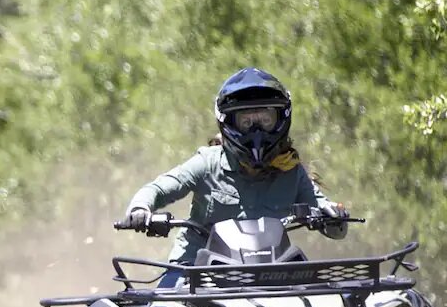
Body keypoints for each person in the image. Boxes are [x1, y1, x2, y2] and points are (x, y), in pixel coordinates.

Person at [123, 68, 349, 271]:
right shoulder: (208, 162)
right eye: (247, 121)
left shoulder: (291, 170)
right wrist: (141, 209)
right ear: (229, 122)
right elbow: (159, 189)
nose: (257, 131)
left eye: (265, 120)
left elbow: (334, 227)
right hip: (193, 271)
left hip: (270, 272)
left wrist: (334, 216)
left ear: (281, 119)